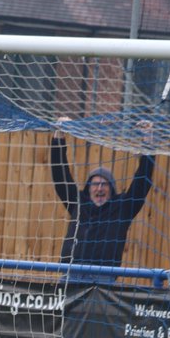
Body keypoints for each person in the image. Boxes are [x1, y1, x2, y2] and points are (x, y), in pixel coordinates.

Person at [50, 118, 155, 280]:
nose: (99, 188)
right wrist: (59, 135)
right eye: (95, 184)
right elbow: (59, 174)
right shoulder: (78, 203)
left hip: (103, 279)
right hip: (71, 275)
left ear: (111, 189)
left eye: (104, 184)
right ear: (88, 188)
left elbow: (143, 180)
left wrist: (148, 140)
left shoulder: (122, 208)